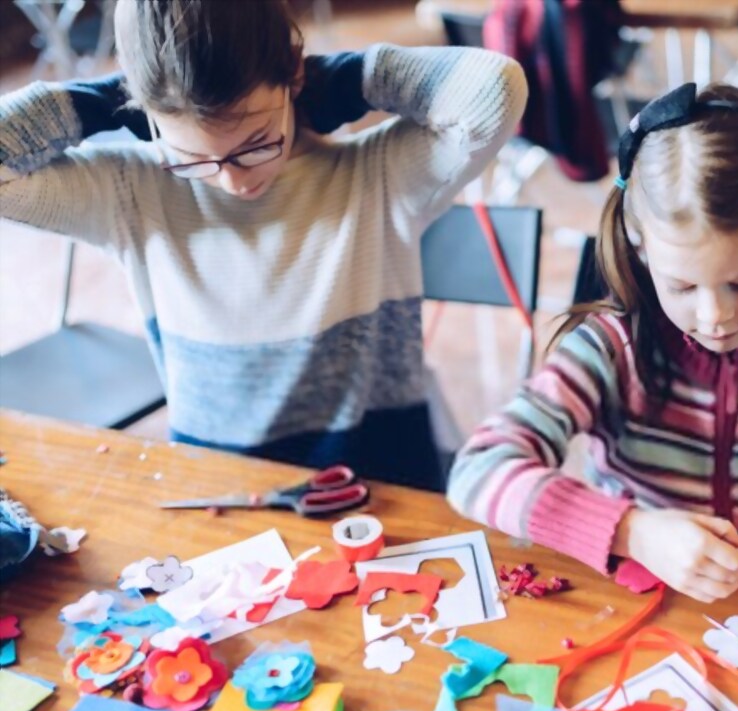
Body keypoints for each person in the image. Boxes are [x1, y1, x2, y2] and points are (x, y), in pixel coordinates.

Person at [0, 0, 527, 491]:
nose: (232, 181)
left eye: (255, 145)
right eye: (193, 158)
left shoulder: (379, 175)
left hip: (382, 485)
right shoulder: (131, 193)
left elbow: (494, 89)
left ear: (294, 73)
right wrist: (115, 99)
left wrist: (336, 80)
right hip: (224, 487)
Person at [447, 83, 738, 603]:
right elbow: (479, 471)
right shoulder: (609, 351)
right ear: (641, 246)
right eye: (683, 287)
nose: (716, 317)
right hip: (636, 607)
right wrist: (633, 532)